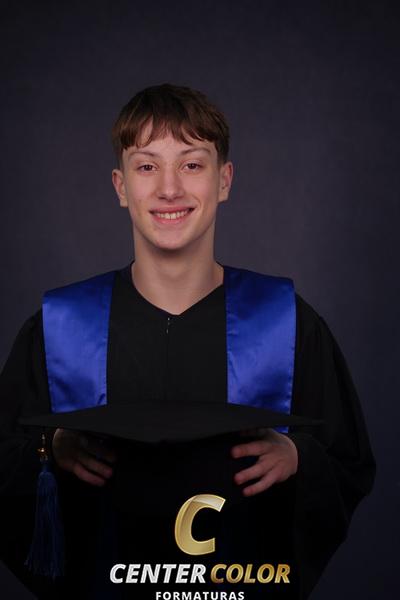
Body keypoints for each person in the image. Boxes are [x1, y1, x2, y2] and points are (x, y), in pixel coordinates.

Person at [0, 83, 375, 599]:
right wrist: (49, 450)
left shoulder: (285, 322)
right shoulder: (60, 326)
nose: (169, 189)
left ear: (224, 180)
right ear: (120, 186)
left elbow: (347, 463)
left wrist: (298, 457)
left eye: (192, 164)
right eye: (147, 166)